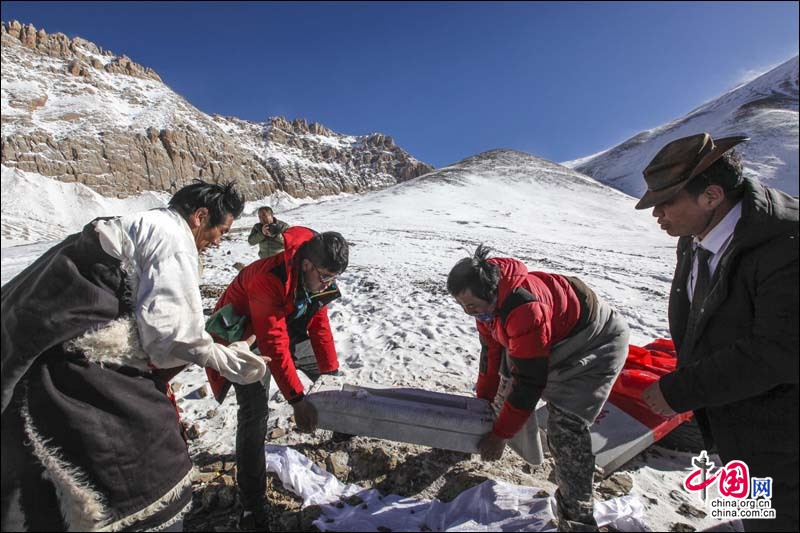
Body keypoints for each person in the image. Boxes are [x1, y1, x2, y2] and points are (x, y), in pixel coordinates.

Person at [1, 180, 269, 532]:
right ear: (200, 216)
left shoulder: (141, 225)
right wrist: (231, 361)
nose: (219, 240)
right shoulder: (172, 238)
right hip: (78, 358)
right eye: (221, 229)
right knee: (150, 448)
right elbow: (168, 336)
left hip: (49, 353)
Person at [636, 133, 798, 531]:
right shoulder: (694, 237)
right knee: (746, 515)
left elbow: (777, 350)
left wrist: (679, 391)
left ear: (710, 195)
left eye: (665, 202)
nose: (656, 214)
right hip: (729, 423)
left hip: (783, 437)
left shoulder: (786, 244)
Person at [447, 245, 629, 532]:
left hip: (595, 343)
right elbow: (491, 354)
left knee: (566, 428)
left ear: (492, 293)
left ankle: (578, 518)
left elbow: (529, 382)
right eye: (462, 307)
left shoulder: (524, 308)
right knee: (504, 386)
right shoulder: (488, 309)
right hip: (554, 336)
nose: (469, 313)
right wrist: (482, 404)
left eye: (471, 306)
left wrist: (500, 435)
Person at [205, 226, 349, 530]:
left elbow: (319, 325)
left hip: (289, 332)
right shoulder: (268, 279)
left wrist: (331, 376)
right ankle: (251, 504)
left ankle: (341, 426)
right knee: (255, 415)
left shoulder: (314, 279)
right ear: (307, 265)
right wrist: (297, 400)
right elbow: (273, 343)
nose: (328, 284)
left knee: (327, 373)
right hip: (247, 341)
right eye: (325, 276)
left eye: (333, 279)